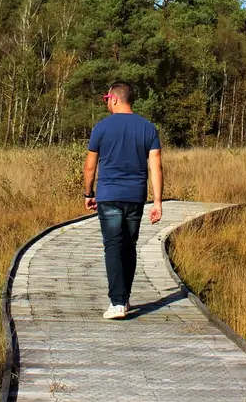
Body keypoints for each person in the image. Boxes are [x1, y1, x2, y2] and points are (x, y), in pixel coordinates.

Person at [82, 81, 163, 320]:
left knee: (113, 246)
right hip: (135, 196)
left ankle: (117, 302)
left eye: (107, 98)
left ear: (115, 99)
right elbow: (156, 166)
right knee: (129, 246)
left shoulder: (101, 128)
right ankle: (124, 298)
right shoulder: (148, 128)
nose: (106, 102)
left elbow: (89, 167)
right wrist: (157, 201)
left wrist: (89, 193)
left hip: (108, 196)